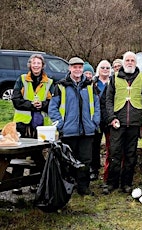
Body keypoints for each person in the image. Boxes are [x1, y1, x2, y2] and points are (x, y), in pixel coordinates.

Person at [48, 57, 101, 196]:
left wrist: (95, 122)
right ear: (69, 68)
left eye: (80, 67)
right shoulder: (60, 85)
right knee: (68, 161)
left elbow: (96, 105)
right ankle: (68, 187)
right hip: (68, 131)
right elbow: (53, 108)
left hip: (87, 131)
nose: (77, 70)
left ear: (83, 69)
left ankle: (83, 187)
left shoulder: (90, 85)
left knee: (85, 160)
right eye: (74, 67)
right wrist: (60, 125)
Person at [104, 51, 142, 194]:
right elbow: (109, 100)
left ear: (136, 63)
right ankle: (112, 183)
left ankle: (127, 183)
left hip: (135, 123)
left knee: (131, 155)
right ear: (123, 62)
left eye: (132, 60)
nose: (130, 62)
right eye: (127, 60)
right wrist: (112, 118)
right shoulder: (114, 78)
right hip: (118, 121)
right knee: (115, 153)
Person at [11, 53, 54, 194]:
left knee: (37, 153)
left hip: (40, 124)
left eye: (38, 63)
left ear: (43, 65)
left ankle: (35, 183)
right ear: (30, 65)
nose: (36, 65)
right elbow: (16, 100)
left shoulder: (49, 82)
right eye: (33, 63)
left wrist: (42, 105)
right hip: (23, 123)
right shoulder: (22, 79)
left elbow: (53, 102)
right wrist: (31, 105)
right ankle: (16, 183)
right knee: (19, 153)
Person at [89, 60, 112, 181]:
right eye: (102, 67)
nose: (105, 70)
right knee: (94, 145)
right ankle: (94, 169)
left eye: (108, 68)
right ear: (98, 69)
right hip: (96, 119)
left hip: (109, 118)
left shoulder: (113, 82)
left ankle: (108, 171)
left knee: (110, 146)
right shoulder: (92, 83)